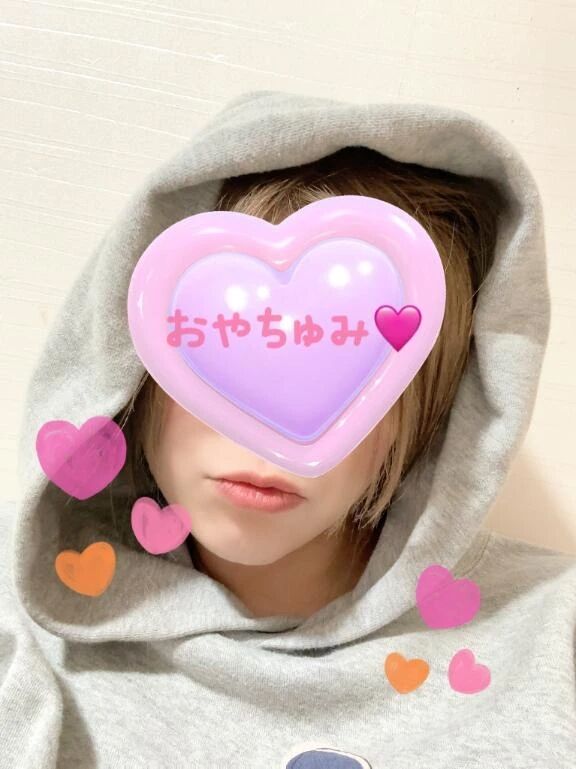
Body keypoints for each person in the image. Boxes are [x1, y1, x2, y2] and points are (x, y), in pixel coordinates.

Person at [2, 90, 575, 769]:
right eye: (225, 346)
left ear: (433, 411)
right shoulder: (21, 639)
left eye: (341, 367)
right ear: (133, 371)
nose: (262, 431)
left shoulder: (555, 633)